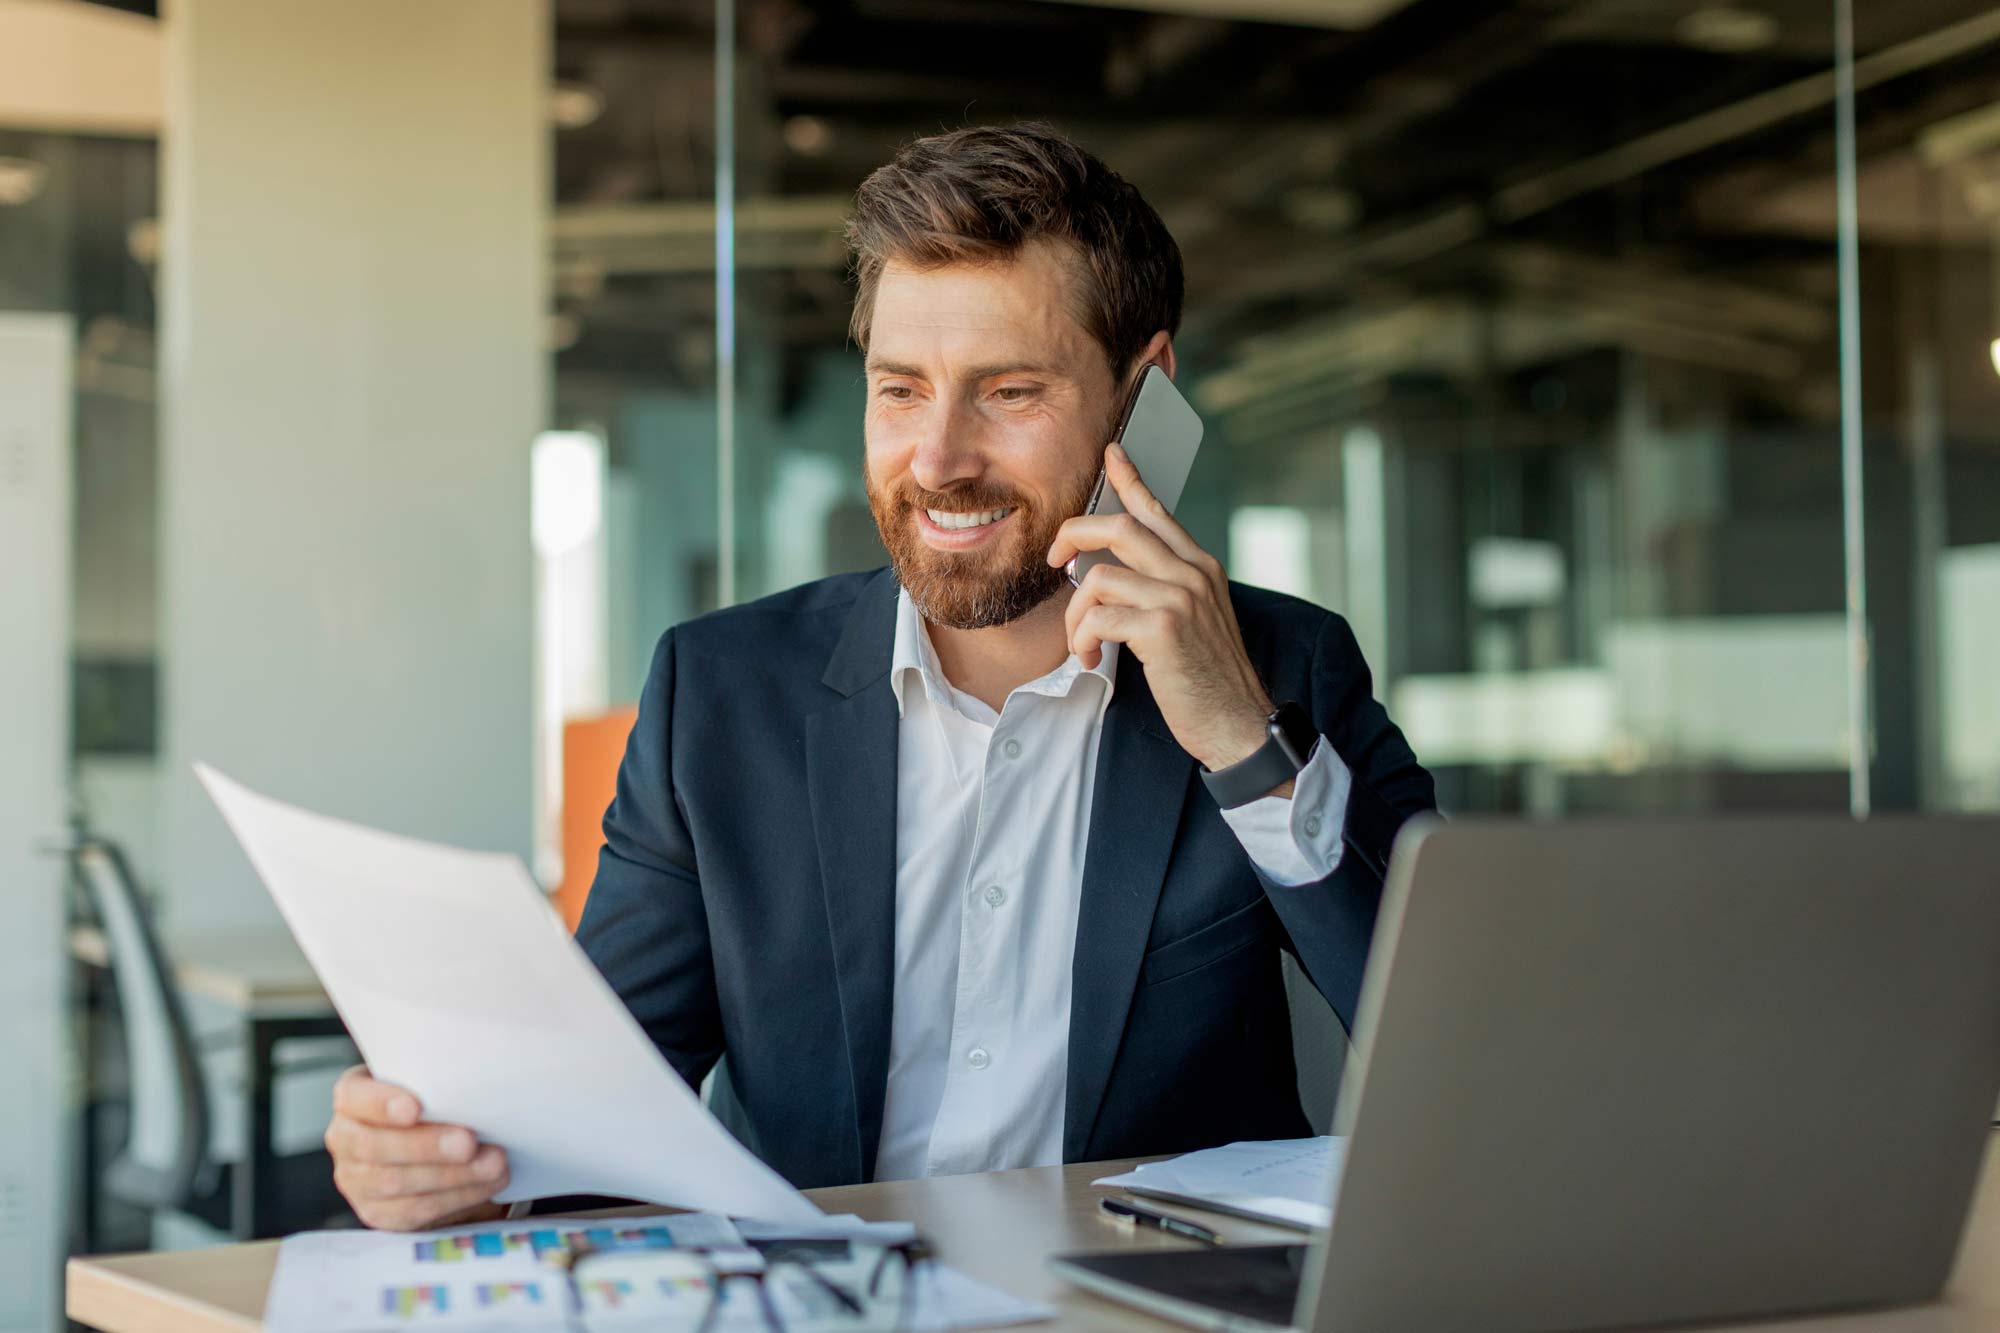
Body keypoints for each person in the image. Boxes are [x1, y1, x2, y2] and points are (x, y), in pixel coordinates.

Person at [323, 122, 1436, 1231]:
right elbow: (599, 1111)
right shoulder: (717, 696)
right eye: (900, 390)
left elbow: (1456, 1054)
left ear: (1143, 394)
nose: (938, 459)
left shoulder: (1282, 670)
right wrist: (449, 1159)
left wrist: (1246, 745)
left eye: (1008, 392)